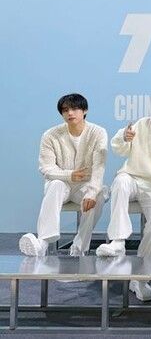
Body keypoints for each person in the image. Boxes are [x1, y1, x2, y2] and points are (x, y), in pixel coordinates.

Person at [96, 90, 151, 302]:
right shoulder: (144, 123)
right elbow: (119, 149)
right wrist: (124, 138)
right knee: (120, 182)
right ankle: (118, 241)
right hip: (132, 176)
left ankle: (140, 278)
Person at [20, 94, 107, 257]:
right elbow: (46, 168)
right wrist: (69, 175)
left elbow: (99, 166)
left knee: (99, 195)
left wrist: (92, 192)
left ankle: (79, 247)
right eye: (65, 110)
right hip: (62, 183)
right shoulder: (50, 135)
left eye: (74, 109)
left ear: (85, 110)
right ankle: (42, 243)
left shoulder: (98, 132)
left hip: (84, 184)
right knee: (55, 184)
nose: (70, 113)